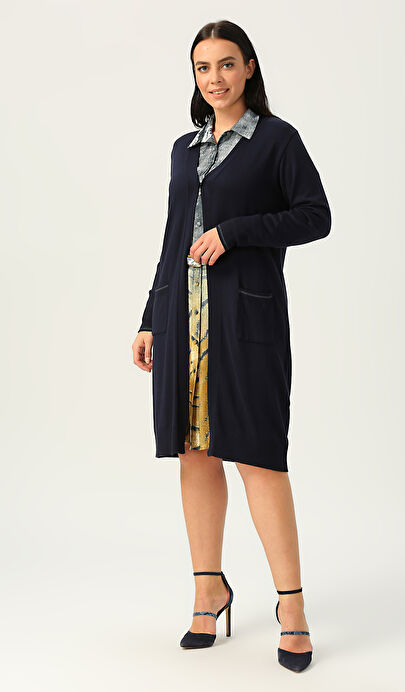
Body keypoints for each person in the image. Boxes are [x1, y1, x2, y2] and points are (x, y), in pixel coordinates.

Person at [132, 20, 331, 673]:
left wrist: (235, 230)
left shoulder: (276, 140)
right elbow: (172, 237)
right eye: (202, 67)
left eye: (225, 64)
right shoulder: (184, 148)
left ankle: (292, 608)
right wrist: (149, 318)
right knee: (194, 453)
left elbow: (315, 216)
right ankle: (207, 590)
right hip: (181, 319)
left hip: (244, 323)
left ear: (248, 67)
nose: (214, 78)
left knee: (259, 458)